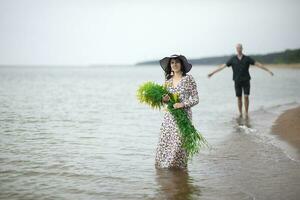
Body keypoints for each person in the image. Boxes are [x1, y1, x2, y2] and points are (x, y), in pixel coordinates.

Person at [155, 54, 199, 169]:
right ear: (170, 65)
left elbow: (195, 99)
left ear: (182, 64)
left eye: (177, 62)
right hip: (170, 116)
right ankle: (164, 170)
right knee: (166, 141)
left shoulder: (188, 79)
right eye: (172, 63)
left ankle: (179, 169)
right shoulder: (168, 81)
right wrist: (163, 100)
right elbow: (165, 99)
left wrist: (183, 104)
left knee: (180, 143)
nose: (174, 65)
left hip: (184, 116)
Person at [207, 43, 274, 118]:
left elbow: (258, 64)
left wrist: (268, 70)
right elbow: (223, 66)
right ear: (236, 49)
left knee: (246, 96)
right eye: (237, 48)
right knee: (239, 97)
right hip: (237, 81)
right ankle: (240, 113)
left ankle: (246, 112)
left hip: (246, 80)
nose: (239, 49)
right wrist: (212, 73)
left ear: (242, 49)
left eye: (240, 48)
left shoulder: (247, 58)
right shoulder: (233, 59)